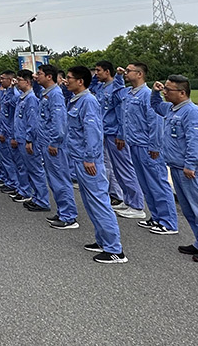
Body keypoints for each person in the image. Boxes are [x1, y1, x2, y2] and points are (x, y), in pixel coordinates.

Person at [151, 75, 198, 263]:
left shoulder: (192, 113)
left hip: (192, 170)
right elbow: (155, 106)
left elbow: (196, 142)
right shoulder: (172, 109)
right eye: (165, 89)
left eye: (168, 90)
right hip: (177, 167)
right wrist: (155, 92)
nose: (165, 92)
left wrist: (191, 164)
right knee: (189, 210)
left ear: (182, 93)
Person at [65, 66, 127, 264]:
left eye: (69, 78)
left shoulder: (88, 101)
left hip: (88, 161)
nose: (66, 81)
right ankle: (103, 241)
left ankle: (115, 249)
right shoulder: (77, 100)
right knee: (91, 203)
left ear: (80, 81)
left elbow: (92, 132)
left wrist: (90, 158)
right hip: (79, 158)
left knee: (99, 202)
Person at [122, 62, 179, 234]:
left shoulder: (146, 95)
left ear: (139, 74)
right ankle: (156, 217)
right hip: (134, 143)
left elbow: (155, 123)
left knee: (157, 183)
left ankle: (168, 222)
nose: (125, 73)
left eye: (129, 71)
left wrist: (154, 145)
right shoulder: (129, 94)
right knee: (146, 185)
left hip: (147, 146)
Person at [92, 61, 146, 219]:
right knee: (117, 169)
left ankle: (137, 205)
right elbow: (92, 86)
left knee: (125, 169)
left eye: (99, 71)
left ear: (107, 72)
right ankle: (127, 200)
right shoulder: (101, 87)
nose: (96, 74)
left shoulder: (116, 88)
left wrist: (121, 134)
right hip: (107, 131)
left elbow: (121, 113)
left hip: (116, 133)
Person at [36, 64, 77, 223]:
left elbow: (59, 122)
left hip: (54, 144)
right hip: (46, 142)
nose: (36, 76)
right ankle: (62, 211)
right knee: (54, 180)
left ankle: (68, 216)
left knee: (60, 179)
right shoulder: (46, 93)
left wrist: (54, 142)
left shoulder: (55, 95)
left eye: (40, 74)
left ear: (49, 76)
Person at [14, 70, 49, 209]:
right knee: (29, 169)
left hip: (28, 140)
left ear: (28, 82)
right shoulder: (23, 98)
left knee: (35, 170)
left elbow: (32, 122)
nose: (17, 82)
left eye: (19, 80)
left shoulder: (31, 99)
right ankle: (36, 197)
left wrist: (29, 139)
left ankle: (42, 200)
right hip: (22, 138)